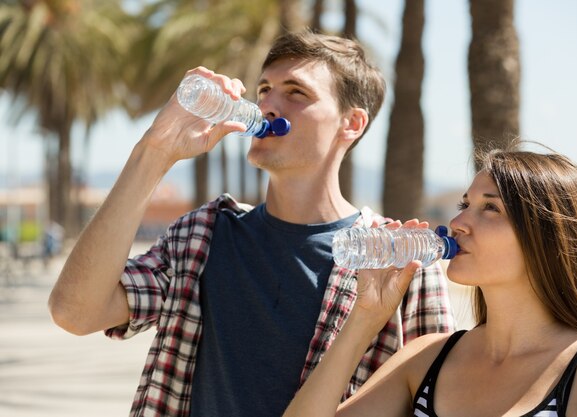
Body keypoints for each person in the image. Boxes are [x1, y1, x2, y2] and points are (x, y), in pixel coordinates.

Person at [47, 31, 455, 417]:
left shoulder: (399, 264)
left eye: (296, 92)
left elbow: (436, 399)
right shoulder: (203, 236)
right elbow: (75, 312)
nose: (268, 106)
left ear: (351, 123)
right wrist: (154, 152)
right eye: (264, 90)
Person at [281, 145, 577, 417]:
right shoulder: (428, 358)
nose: (458, 222)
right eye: (465, 204)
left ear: (547, 238)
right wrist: (366, 316)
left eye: (490, 208)